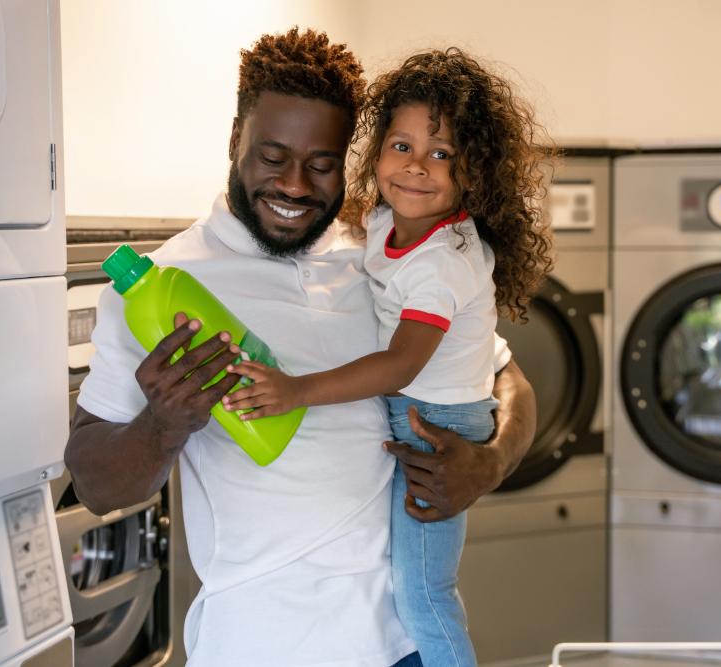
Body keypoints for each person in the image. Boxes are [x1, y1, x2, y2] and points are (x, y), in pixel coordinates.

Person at [63, 28, 537, 667]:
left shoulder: (380, 254)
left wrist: (492, 462)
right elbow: (95, 483)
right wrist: (165, 423)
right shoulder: (163, 286)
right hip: (266, 644)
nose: (293, 185)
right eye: (272, 155)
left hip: (407, 640)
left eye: (321, 164)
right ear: (236, 141)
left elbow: (507, 379)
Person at [221, 48, 554, 667]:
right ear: (374, 153)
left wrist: (294, 390)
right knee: (420, 587)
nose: (417, 168)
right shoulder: (380, 223)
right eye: (401, 147)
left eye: (442, 153)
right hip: (281, 616)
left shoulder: (440, 263)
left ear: (472, 171)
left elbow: (405, 365)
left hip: (439, 428)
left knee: (426, 594)